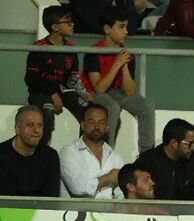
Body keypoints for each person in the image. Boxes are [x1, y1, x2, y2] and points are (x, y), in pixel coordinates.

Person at [81, 6, 156, 154]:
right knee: (112, 107)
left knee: (146, 105)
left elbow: (130, 91)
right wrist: (117, 64)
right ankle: (106, 152)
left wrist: (124, 65)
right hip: (91, 91)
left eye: (126, 27)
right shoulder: (94, 52)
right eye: (121, 27)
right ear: (107, 29)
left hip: (115, 91)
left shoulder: (126, 54)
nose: (126, 32)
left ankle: (147, 154)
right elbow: (99, 88)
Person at [25, 6, 91, 145]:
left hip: (63, 91)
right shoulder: (39, 47)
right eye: (67, 22)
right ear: (55, 27)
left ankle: (84, 149)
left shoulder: (71, 48)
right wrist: (53, 92)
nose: (72, 24)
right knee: (47, 111)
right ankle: (42, 150)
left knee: (89, 111)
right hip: (40, 92)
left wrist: (84, 94)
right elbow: (31, 79)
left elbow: (73, 79)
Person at [59, 104, 124, 199]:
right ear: (83, 125)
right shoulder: (69, 152)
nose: (97, 126)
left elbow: (121, 194)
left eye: (101, 122)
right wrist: (108, 178)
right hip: (74, 213)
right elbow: (77, 188)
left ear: (107, 127)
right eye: (91, 122)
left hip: (108, 213)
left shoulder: (115, 157)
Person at [135, 118, 194, 201]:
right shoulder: (148, 161)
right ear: (174, 143)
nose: (192, 148)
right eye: (189, 144)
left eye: (193, 142)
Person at [0, 106, 60, 198]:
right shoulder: (2, 154)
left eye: (39, 125)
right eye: (30, 125)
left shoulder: (50, 156)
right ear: (17, 129)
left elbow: (51, 201)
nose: (36, 130)